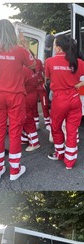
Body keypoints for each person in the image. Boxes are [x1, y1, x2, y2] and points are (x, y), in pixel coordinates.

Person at [0, 19, 35, 182]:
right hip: (16, 95)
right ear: (12, 33)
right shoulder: (20, 51)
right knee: (16, 131)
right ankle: (15, 169)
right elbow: (32, 66)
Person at [45, 34, 84, 169]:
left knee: (55, 127)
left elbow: (47, 79)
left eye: (55, 44)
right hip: (74, 98)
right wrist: (78, 85)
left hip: (59, 99)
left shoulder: (49, 62)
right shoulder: (79, 62)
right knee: (72, 130)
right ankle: (70, 162)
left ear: (59, 48)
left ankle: (60, 153)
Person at [22, 65, 40, 151]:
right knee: (27, 118)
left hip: (26, 97)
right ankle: (26, 138)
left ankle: (34, 143)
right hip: (31, 95)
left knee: (27, 120)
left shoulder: (23, 69)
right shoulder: (29, 69)